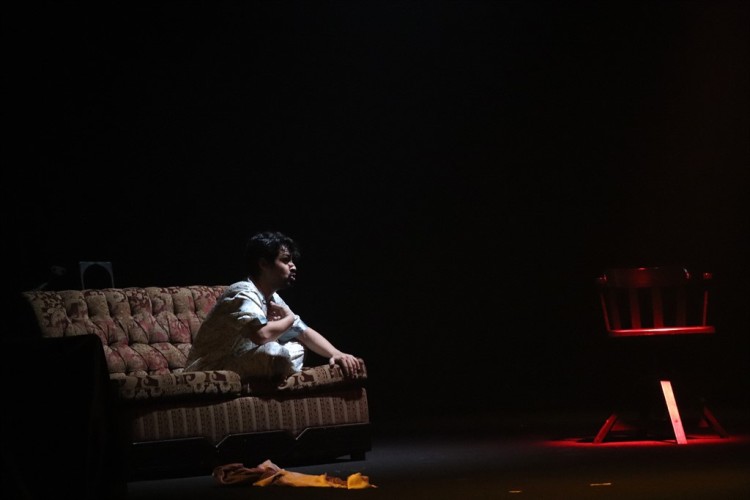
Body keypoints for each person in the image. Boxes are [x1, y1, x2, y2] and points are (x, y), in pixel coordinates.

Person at [184, 231, 365, 382]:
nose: (293, 267)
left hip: (242, 360)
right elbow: (261, 335)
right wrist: (289, 319)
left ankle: (277, 371)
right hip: (211, 368)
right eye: (285, 260)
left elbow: (303, 332)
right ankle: (279, 370)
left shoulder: (272, 298)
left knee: (297, 346)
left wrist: (336, 353)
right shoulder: (242, 292)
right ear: (263, 264)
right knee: (273, 352)